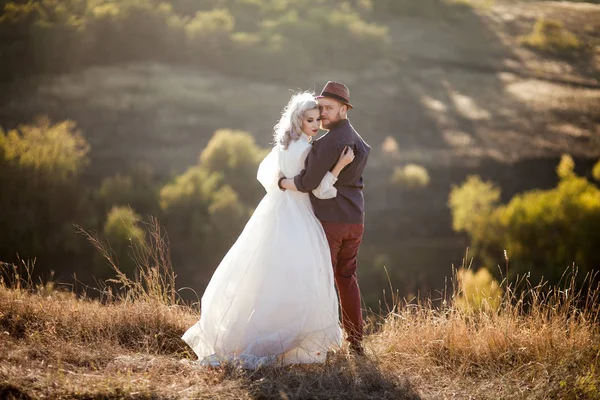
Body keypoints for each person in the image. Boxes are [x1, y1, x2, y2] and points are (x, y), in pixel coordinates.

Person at [182, 92, 355, 368]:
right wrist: (339, 166)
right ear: (299, 121)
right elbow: (320, 190)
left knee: (266, 271)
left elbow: (266, 174)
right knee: (299, 273)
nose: (316, 123)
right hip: (298, 214)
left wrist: (282, 183)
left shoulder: (284, 145)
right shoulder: (309, 150)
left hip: (274, 209)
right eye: (310, 120)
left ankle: (258, 332)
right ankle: (287, 338)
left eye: (317, 118)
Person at [279, 81, 371, 356]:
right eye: (321, 108)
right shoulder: (358, 140)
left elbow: (307, 183)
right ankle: (355, 340)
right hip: (355, 219)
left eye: (329, 108)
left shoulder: (330, 142)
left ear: (344, 109)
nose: (323, 114)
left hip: (331, 221)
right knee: (346, 276)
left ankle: (316, 342)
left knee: (320, 278)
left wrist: (283, 182)